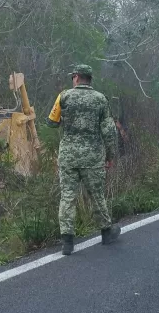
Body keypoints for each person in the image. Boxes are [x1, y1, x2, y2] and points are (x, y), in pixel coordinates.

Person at [47, 64, 120, 256]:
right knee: (97, 195)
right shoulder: (100, 99)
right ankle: (106, 232)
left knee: (67, 197)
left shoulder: (64, 96)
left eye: (73, 77)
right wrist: (110, 156)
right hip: (93, 157)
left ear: (77, 77)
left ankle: (67, 242)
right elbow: (109, 131)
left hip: (68, 157)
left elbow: (51, 122)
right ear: (90, 78)